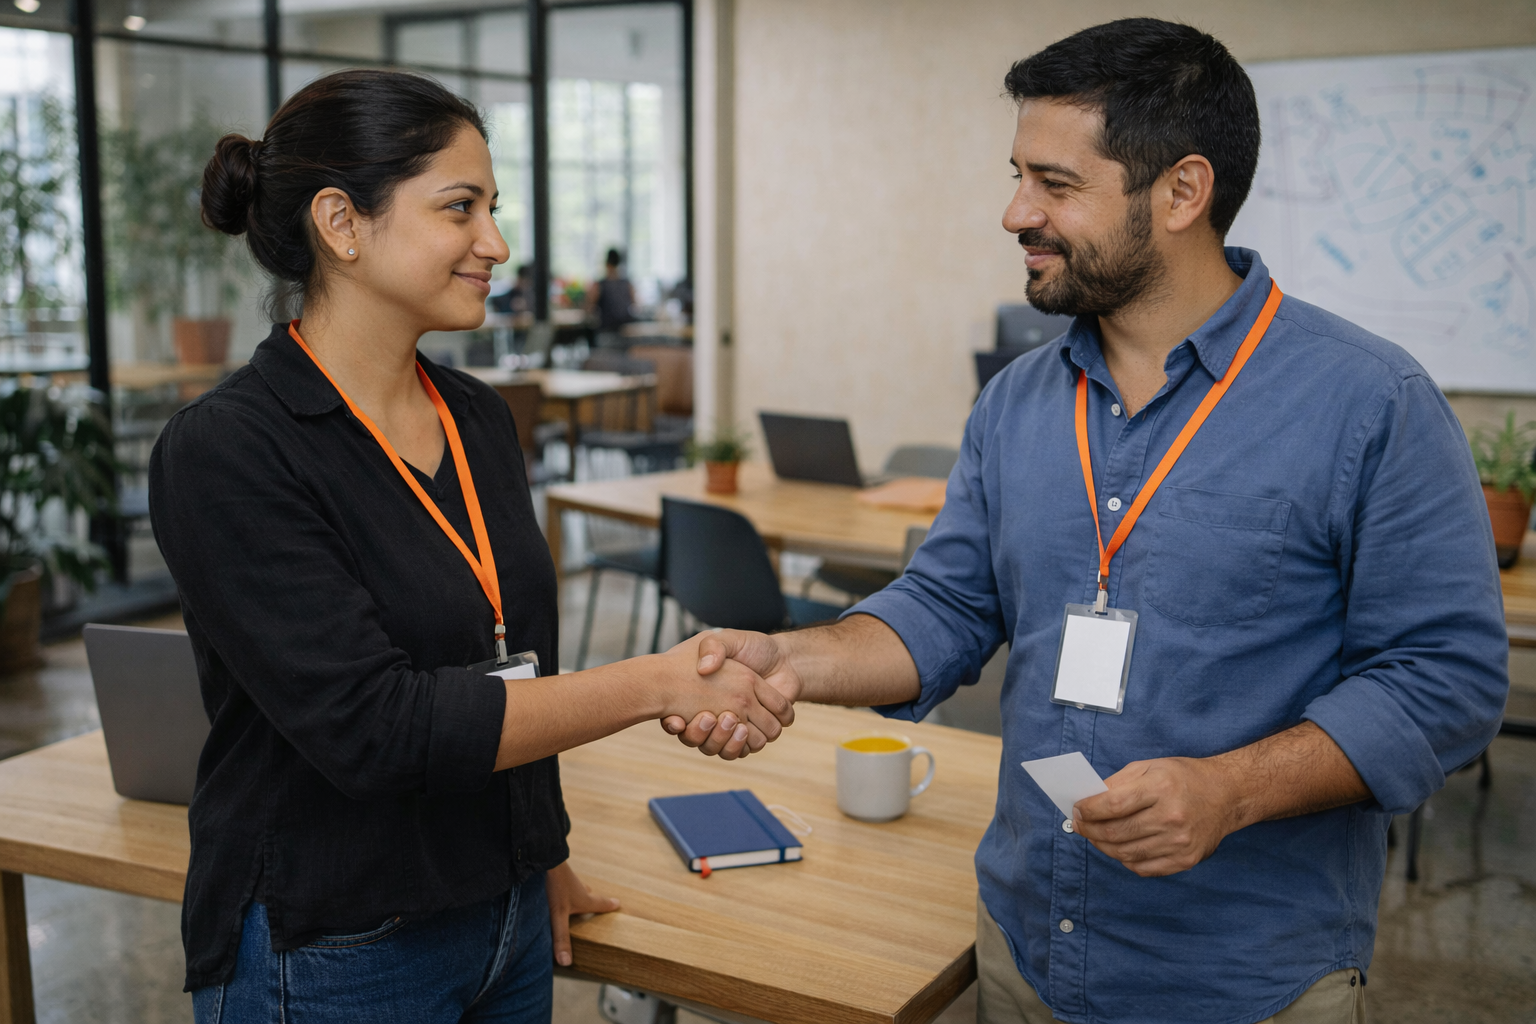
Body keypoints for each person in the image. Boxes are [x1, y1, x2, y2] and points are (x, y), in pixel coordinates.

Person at [664, 18, 1508, 1024]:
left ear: (1182, 192)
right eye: (1018, 174)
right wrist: (790, 660)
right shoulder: (1019, 402)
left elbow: (1446, 678)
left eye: (1056, 184)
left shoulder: (1372, 404)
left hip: (1246, 980)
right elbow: (943, 606)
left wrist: (1231, 790)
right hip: (1024, 951)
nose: (1016, 210)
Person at [154, 69, 790, 1023]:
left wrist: (544, 855)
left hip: (507, 918)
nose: (495, 244)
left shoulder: (476, 416)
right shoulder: (230, 450)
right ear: (342, 223)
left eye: (491, 208)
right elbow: (377, 729)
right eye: (461, 209)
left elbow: (507, 660)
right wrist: (659, 682)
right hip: (335, 948)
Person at [587, 247, 637, 334]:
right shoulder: (627, 284)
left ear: (606, 264)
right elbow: (635, 304)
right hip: (625, 330)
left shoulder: (599, 285)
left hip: (606, 332)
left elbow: (589, 307)